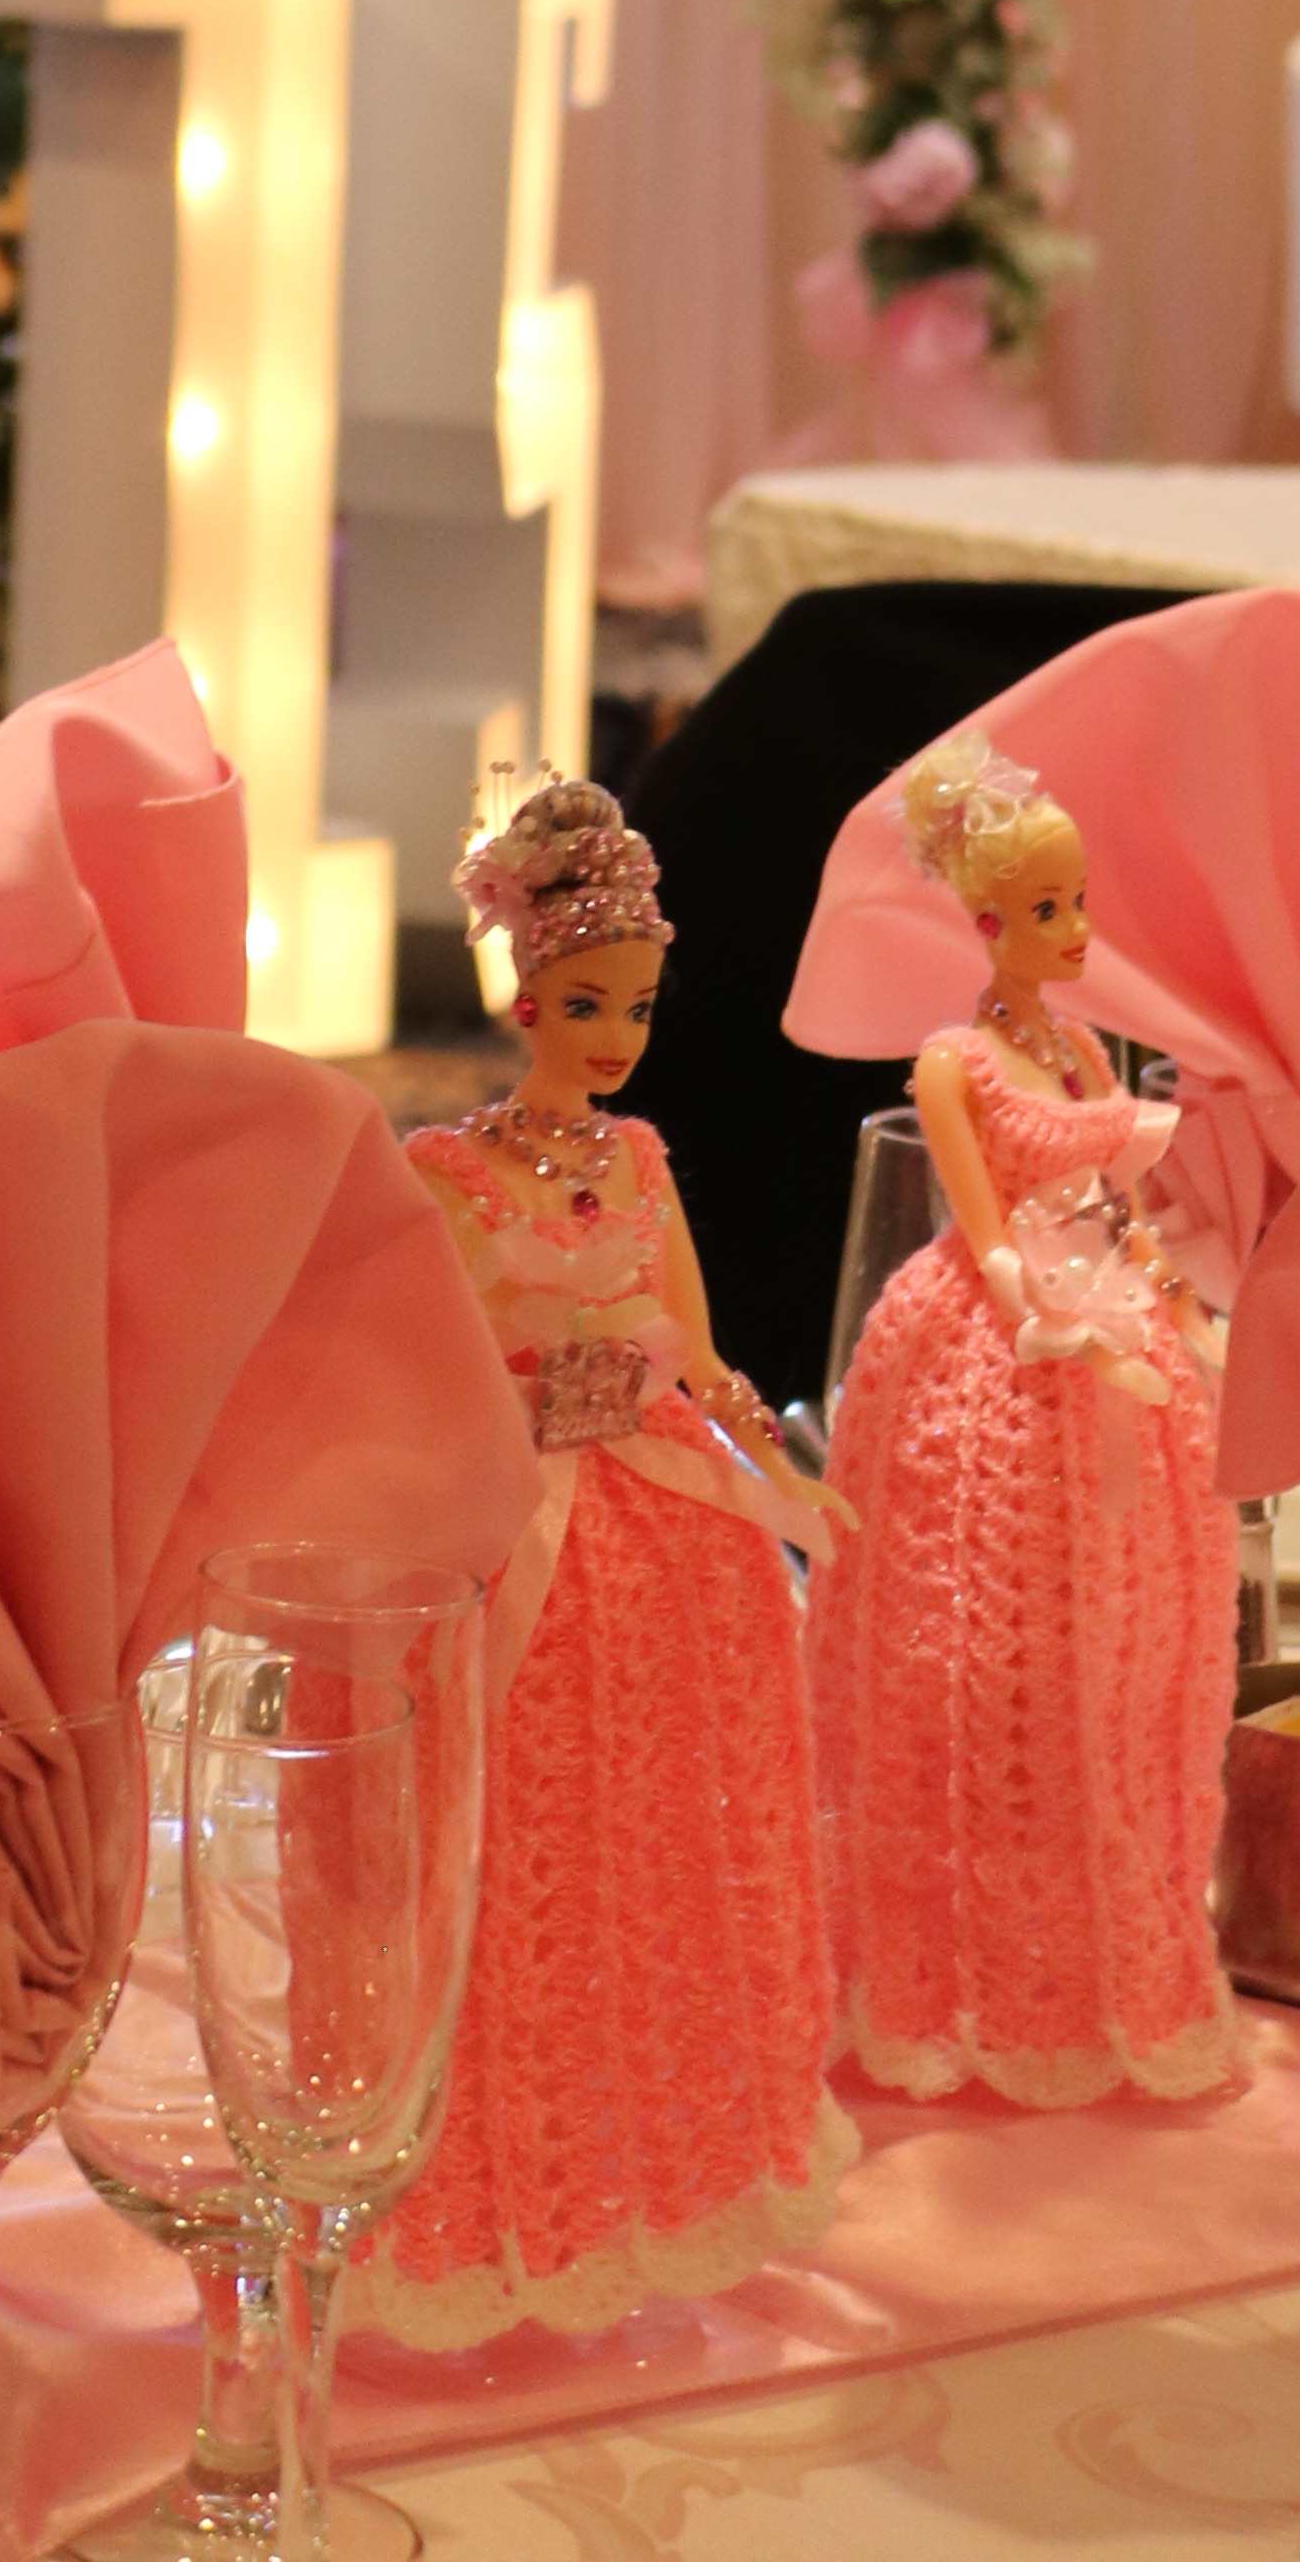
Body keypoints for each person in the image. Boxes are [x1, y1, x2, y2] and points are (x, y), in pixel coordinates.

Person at [364, 779, 851, 2348]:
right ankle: (496, 2193)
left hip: (668, 1538)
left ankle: (660, 2171)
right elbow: (421, 1374)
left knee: (664, 1862)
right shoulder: (445, 1174)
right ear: (525, 994)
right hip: (521, 1539)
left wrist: (771, 1458)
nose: (619, 1037)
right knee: (520, 1866)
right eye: (589, 1004)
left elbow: (696, 1350)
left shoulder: (638, 1159)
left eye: (638, 1006)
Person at [811, 726, 1237, 2105]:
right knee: (972, 1649)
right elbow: (981, 1223)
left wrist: (1167, 1293)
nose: (1075, 930)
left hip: (1107, 1321)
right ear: (987, 922)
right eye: (1048, 908)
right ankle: (959, 1968)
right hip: (992, 1346)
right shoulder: (956, 1064)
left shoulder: (1086, 1047)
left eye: (1079, 902)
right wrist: (1035, 1307)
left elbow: (1120, 1197)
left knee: (1123, 1647)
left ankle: (1105, 1948)